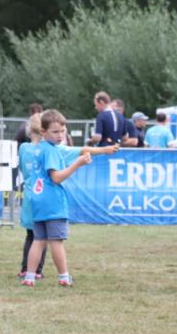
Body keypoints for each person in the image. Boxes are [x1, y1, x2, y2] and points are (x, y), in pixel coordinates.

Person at [17, 113, 117, 281]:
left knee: (38, 239)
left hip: (35, 199)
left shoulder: (30, 149)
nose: (61, 135)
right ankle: (64, 277)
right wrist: (77, 163)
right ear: (43, 131)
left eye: (63, 131)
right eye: (56, 132)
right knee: (56, 240)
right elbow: (56, 177)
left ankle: (29, 276)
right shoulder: (53, 151)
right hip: (51, 201)